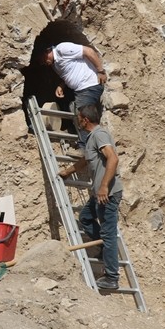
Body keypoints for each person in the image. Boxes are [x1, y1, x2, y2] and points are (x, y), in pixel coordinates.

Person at [58, 102, 124, 291]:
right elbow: (87, 160)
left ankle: (112, 277)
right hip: (100, 193)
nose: (77, 121)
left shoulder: (99, 134)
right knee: (86, 217)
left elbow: (113, 158)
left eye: (79, 118)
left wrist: (103, 186)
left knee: (108, 233)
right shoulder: (92, 138)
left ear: (85, 120)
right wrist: (68, 171)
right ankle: (105, 249)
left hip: (107, 194)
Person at [40, 38, 107, 148]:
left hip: (89, 85)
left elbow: (88, 51)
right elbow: (70, 72)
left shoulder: (62, 49)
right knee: (72, 108)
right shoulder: (54, 64)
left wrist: (100, 71)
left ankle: (85, 149)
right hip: (79, 89)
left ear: (47, 51)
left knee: (83, 115)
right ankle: (75, 134)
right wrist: (61, 85)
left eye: (42, 58)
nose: (43, 62)